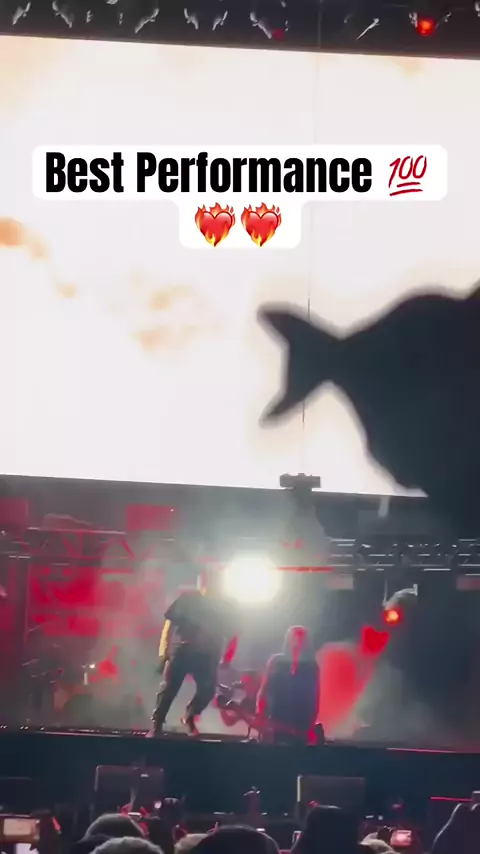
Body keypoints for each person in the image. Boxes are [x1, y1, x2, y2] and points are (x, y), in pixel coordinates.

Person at [150, 574, 239, 736]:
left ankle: (190, 716)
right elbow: (169, 626)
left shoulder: (224, 606)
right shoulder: (188, 599)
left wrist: (227, 658)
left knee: (208, 690)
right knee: (169, 688)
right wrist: (164, 652)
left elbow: (233, 634)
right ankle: (157, 723)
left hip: (208, 654)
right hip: (183, 649)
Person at [256, 626, 320, 744]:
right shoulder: (276, 661)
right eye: (294, 637)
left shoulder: (311, 666)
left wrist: (309, 727)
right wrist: (261, 718)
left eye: (301, 638)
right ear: (288, 640)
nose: (298, 641)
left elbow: (315, 698)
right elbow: (263, 691)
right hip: (276, 725)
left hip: (300, 728)